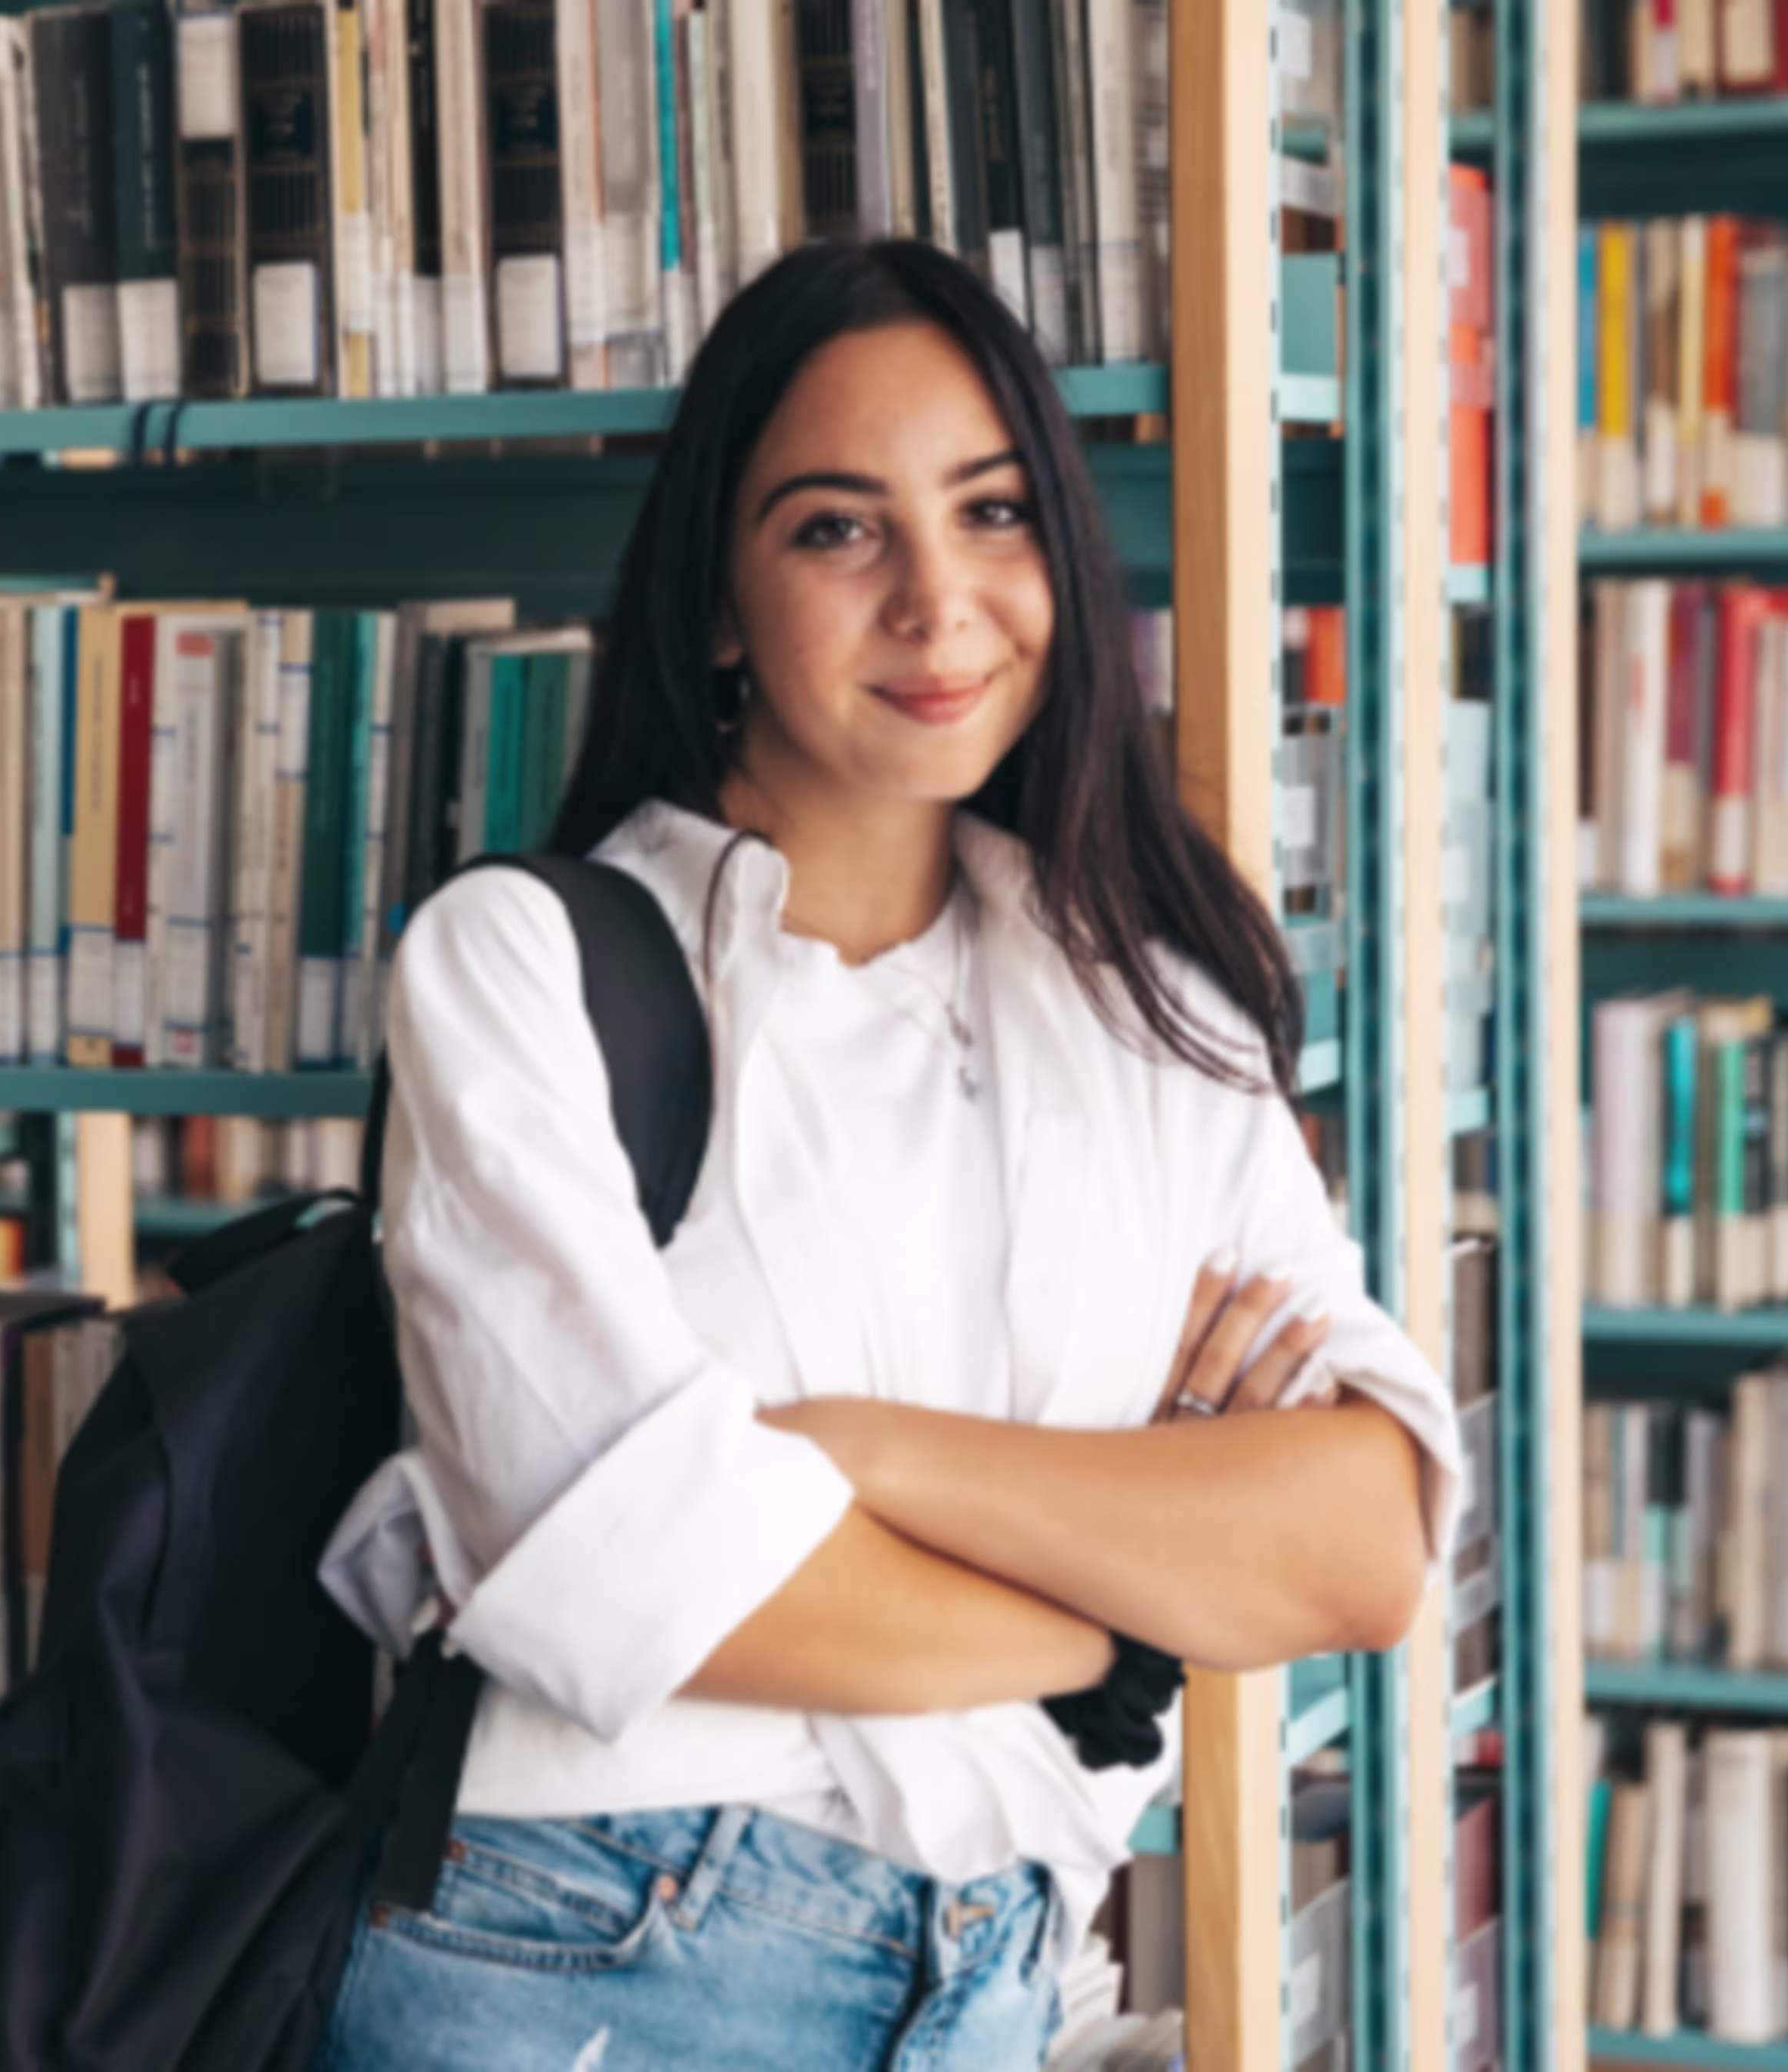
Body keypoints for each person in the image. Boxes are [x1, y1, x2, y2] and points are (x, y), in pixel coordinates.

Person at [311, 238, 1461, 2072]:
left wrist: (855, 1459)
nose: (939, 603)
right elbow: (629, 1573)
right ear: (715, 605)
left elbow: (1361, 1546)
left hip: (994, 1985)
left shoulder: (1150, 1002)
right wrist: (1127, 1611)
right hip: (586, 1967)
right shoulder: (521, 963)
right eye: (838, 531)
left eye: (991, 512)